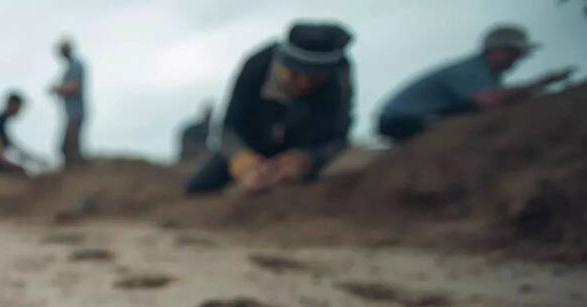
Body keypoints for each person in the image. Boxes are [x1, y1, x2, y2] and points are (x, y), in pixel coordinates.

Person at [187, 22, 354, 196]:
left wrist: (308, 160)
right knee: (199, 187)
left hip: (301, 147)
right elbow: (228, 127)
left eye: (314, 79)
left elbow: (338, 137)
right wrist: (240, 157)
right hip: (251, 144)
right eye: (295, 74)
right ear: (282, 64)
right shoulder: (257, 64)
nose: (303, 84)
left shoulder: (338, 77)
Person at [377, 25, 573, 143]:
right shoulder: (473, 69)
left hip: (416, 119)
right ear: (496, 50)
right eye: (514, 53)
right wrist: (539, 84)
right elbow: (487, 101)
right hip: (400, 120)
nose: (517, 60)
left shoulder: (486, 74)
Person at [49, 38, 87, 167]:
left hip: (75, 112)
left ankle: (78, 175)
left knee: (69, 148)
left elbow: (75, 87)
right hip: (71, 113)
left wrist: (57, 89)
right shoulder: (71, 66)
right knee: (68, 147)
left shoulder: (76, 65)